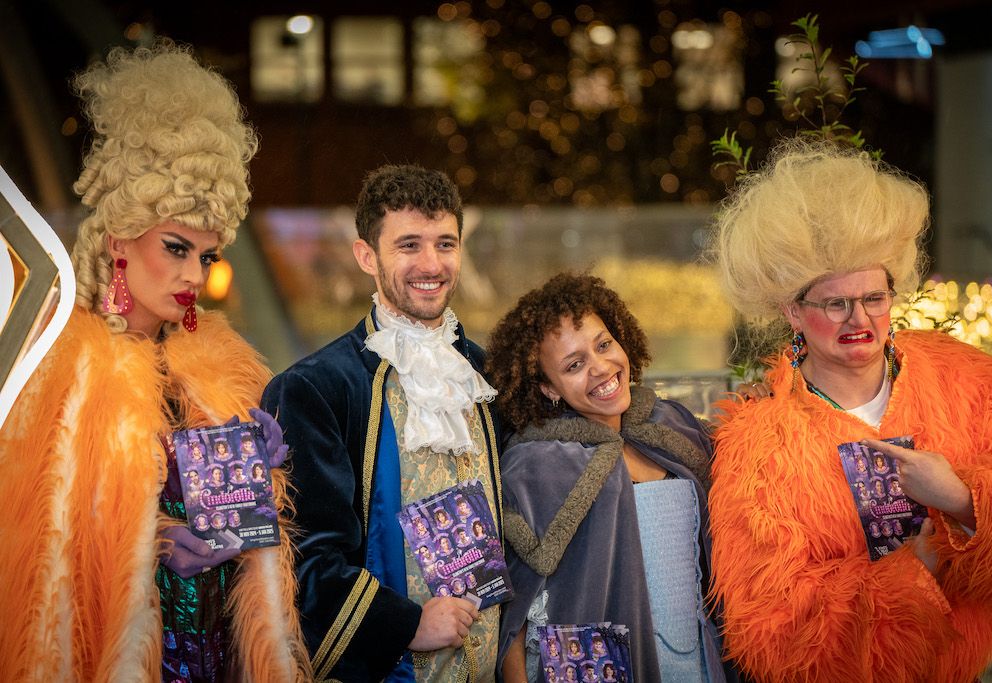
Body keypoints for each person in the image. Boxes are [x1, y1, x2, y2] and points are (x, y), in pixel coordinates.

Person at [0, 43, 309, 681]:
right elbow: (41, 547)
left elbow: (251, 539)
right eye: (176, 247)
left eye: (207, 255)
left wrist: (261, 459)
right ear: (120, 238)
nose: (193, 274)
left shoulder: (221, 369)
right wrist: (149, 540)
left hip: (219, 651)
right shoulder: (66, 371)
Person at [709, 140, 992, 682]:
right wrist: (911, 575)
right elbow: (769, 627)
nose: (860, 318)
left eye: (874, 297)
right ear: (793, 311)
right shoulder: (759, 444)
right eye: (836, 302)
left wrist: (963, 498)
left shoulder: (964, 382)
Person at [262, 165, 502, 681]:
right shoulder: (315, 388)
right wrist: (404, 624)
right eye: (409, 245)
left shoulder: (487, 378)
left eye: (445, 243)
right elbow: (304, 559)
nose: (431, 264)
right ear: (366, 256)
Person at [488, 273, 730, 683]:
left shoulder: (673, 427)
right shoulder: (535, 467)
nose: (601, 368)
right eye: (574, 364)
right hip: (598, 668)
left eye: (603, 345)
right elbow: (511, 615)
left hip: (699, 664)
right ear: (549, 387)